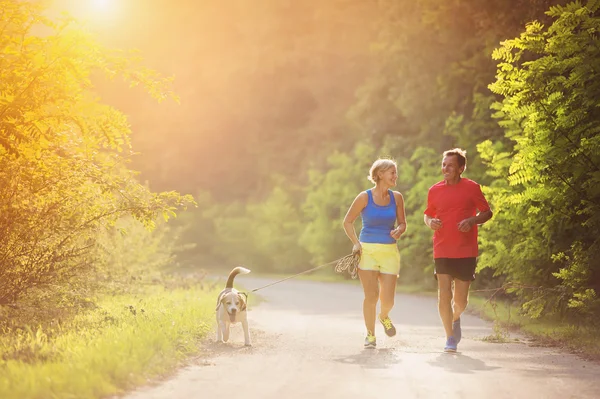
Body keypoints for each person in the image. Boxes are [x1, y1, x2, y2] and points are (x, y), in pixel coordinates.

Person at [423, 148, 493, 352]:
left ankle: (456, 318)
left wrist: (472, 220)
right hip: (442, 248)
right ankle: (449, 337)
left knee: (460, 300)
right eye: (444, 164)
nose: (445, 168)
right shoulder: (434, 190)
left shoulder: (472, 188)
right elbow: (427, 214)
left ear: (461, 168)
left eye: (450, 165)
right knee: (443, 294)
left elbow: (487, 212)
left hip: (465, 250)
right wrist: (430, 222)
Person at [343, 158, 407, 348]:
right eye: (392, 172)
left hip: (389, 252)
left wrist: (400, 230)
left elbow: (403, 222)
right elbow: (347, 221)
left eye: (396, 172)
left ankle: (384, 316)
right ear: (379, 174)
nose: (396, 176)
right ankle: (370, 335)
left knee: (388, 299)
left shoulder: (397, 197)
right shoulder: (364, 197)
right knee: (371, 296)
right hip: (367, 251)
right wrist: (356, 243)